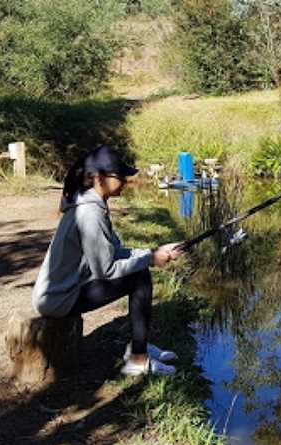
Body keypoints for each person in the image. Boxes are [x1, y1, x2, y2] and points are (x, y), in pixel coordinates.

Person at [32, 145, 183, 376]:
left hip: (64, 290)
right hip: (59, 298)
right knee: (139, 278)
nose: (125, 181)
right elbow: (107, 270)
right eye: (120, 176)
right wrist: (151, 260)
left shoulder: (92, 204)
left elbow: (115, 252)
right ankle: (138, 360)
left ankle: (137, 348)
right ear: (99, 178)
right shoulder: (89, 213)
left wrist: (153, 251)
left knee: (139, 271)